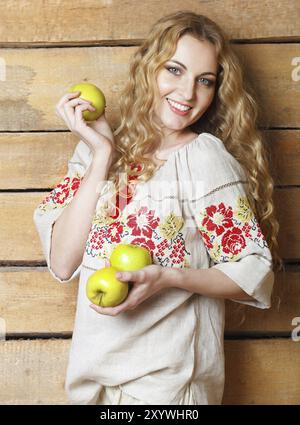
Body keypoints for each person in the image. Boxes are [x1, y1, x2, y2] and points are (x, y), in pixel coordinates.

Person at [33, 10, 282, 405]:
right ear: (149, 68)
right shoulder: (99, 152)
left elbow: (251, 271)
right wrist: (101, 153)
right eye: (175, 70)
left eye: (205, 81)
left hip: (168, 389)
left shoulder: (203, 159)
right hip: (91, 383)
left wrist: (168, 278)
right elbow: (63, 262)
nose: (187, 94)